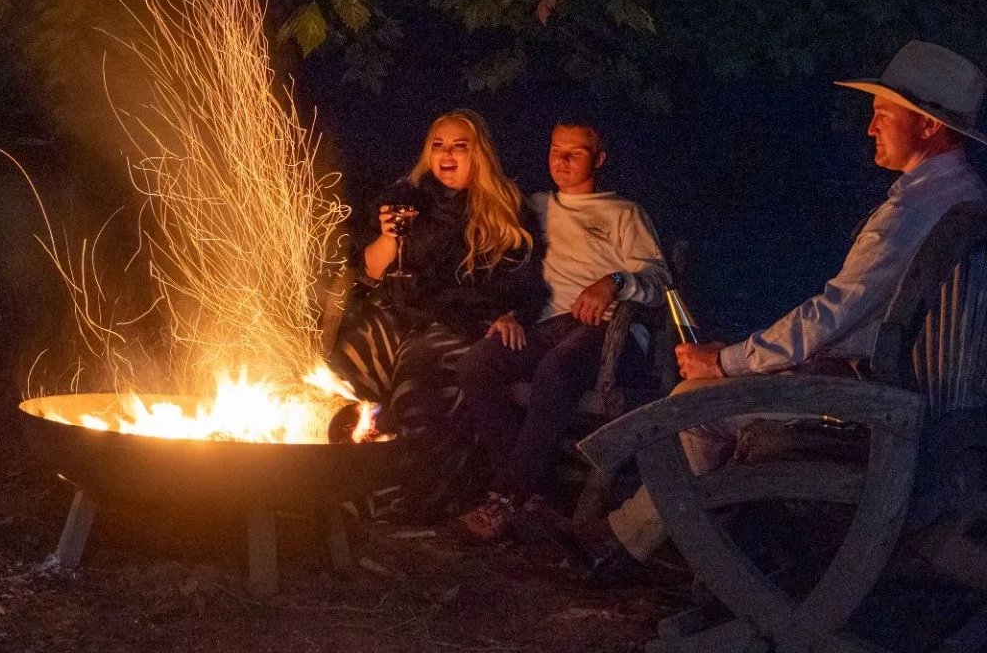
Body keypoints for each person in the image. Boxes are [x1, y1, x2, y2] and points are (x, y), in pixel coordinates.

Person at [584, 40, 987, 576]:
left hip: (882, 408)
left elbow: (831, 314)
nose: (870, 128)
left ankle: (650, 552)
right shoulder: (966, 199)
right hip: (934, 408)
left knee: (696, 401)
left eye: (882, 115)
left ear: (929, 126)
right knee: (701, 395)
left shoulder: (914, 210)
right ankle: (654, 546)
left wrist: (727, 360)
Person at [454, 119, 670, 541]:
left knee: (558, 366)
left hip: (609, 333)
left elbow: (659, 279)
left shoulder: (623, 212)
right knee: (477, 362)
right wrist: (508, 310)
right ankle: (531, 494)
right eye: (556, 150)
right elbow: (507, 262)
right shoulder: (535, 208)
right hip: (548, 325)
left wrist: (615, 282)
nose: (562, 160)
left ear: (599, 159)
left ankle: (506, 497)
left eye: (576, 152)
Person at [334, 109, 545, 515]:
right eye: (439, 145)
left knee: (421, 377)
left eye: (459, 147)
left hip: (463, 318)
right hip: (404, 311)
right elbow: (376, 269)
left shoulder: (504, 209)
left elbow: (521, 282)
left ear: (478, 154)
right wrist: (388, 236)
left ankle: (417, 492)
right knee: (350, 360)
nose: (447, 155)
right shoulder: (409, 198)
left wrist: (509, 313)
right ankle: (343, 479)